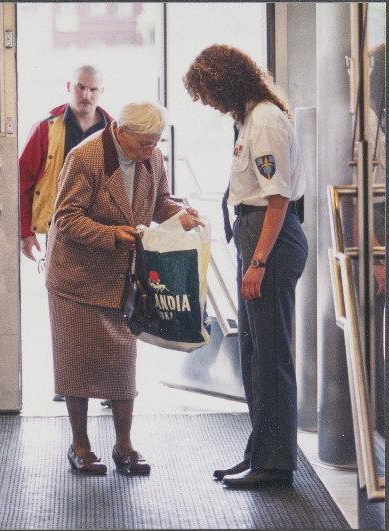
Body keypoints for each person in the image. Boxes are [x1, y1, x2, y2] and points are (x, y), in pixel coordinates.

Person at [45, 101, 203, 475]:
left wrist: (180, 216)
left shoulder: (154, 157)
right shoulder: (85, 158)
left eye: (155, 143)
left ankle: (124, 445)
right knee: (75, 365)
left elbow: (159, 201)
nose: (149, 151)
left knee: (122, 364)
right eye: (143, 144)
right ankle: (80, 445)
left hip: (121, 278)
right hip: (76, 279)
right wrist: (111, 235)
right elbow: (65, 218)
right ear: (120, 130)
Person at [184, 44, 308, 488]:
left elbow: (277, 198)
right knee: (254, 354)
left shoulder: (267, 121)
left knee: (271, 356)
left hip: (269, 240)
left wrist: (257, 262)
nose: (210, 104)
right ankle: (260, 452)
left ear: (226, 82)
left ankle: (275, 464)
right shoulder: (251, 119)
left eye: (209, 93)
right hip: (255, 235)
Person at [18, 64, 112, 402]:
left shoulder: (114, 129)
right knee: (66, 310)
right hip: (61, 230)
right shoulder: (46, 128)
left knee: (106, 308)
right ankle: (72, 385)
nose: (86, 95)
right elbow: (23, 180)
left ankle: (105, 384)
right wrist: (26, 232)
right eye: (81, 88)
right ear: (69, 86)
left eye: (94, 90)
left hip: (105, 232)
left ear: (102, 93)